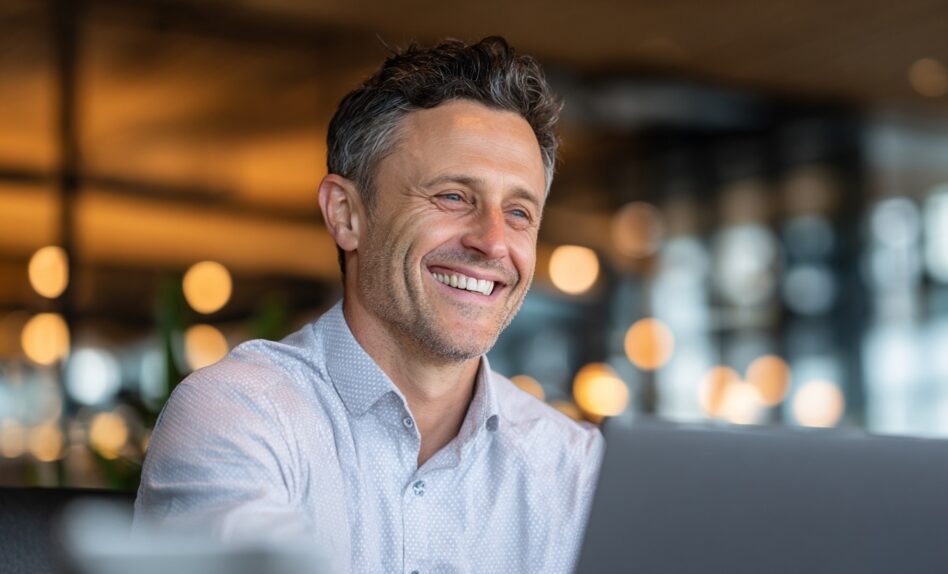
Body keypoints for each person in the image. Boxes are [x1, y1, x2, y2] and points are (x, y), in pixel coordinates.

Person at [134, 36, 604, 573]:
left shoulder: (576, 468)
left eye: (519, 213)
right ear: (346, 214)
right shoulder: (239, 417)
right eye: (453, 196)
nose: (494, 242)